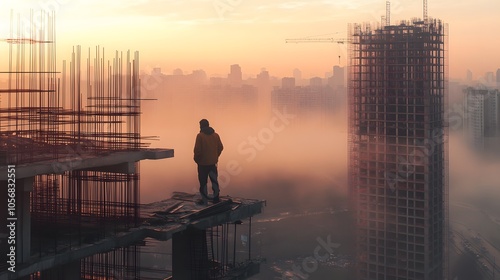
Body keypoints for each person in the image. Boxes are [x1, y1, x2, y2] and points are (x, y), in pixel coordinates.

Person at [194, 119, 223, 205]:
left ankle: (204, 200)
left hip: (202, 164)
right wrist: (215, 156)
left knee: (203, 183)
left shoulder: (200, 136)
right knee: (214, 181)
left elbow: (197, 150)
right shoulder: (216, 135)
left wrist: (197, 160)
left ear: (201, 126)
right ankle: (216, 198)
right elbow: (221, 147)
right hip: (213, 163)